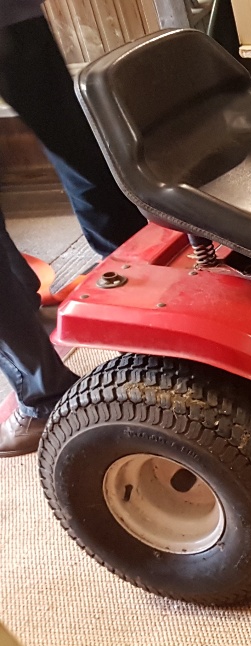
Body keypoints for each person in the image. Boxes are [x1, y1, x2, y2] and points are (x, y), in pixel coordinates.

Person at [0, 2, 146, 457]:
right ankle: (146, 309)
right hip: (13, 15)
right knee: (79, 154)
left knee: (81, 155)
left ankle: (44, 397)